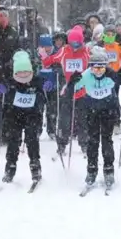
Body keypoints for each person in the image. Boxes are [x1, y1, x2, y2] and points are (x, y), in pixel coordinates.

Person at [40, 26, 91, 156]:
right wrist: (44, 56)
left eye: (77, 43)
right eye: (72, 43)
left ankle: (85, 144)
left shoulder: (86, 51)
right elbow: (48, 62)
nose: (75, 46)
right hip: (67, 90)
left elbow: (100, 61)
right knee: (64, 120)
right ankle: (62, 144)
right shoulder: (64, 51)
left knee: (83, 119)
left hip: (83, 91)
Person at [73, 47, 119, 187]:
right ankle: (91, 170)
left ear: (106, 67)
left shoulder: (111, 74)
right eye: (95, 68)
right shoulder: (86, 75)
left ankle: (109, 170)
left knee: (106, 140)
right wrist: (72, 82)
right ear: (90, 67)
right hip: (91, 111)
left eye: (101, 68)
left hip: (107, 111)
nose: (98, 71)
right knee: (92, 141)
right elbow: (73, 88)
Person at [1, 51, 45, 184]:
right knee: (13, 141)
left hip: (32, 115)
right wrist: (0, 90)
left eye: (26, 72)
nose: (24, 75)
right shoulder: (10, 83)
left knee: (32, 140)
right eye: (20, 73)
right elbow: (2, 95)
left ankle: (35, 166)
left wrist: (46, 88)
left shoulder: (36, 81)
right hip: (14, 115)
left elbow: (44, 94)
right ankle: (10, 167)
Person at [0, 6, 20, 146]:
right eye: (0, 15)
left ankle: (6, 134)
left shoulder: (13, 32)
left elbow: (18, 49)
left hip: (10, 73)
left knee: (9, 105)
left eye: (5, 15)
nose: (2, 18)